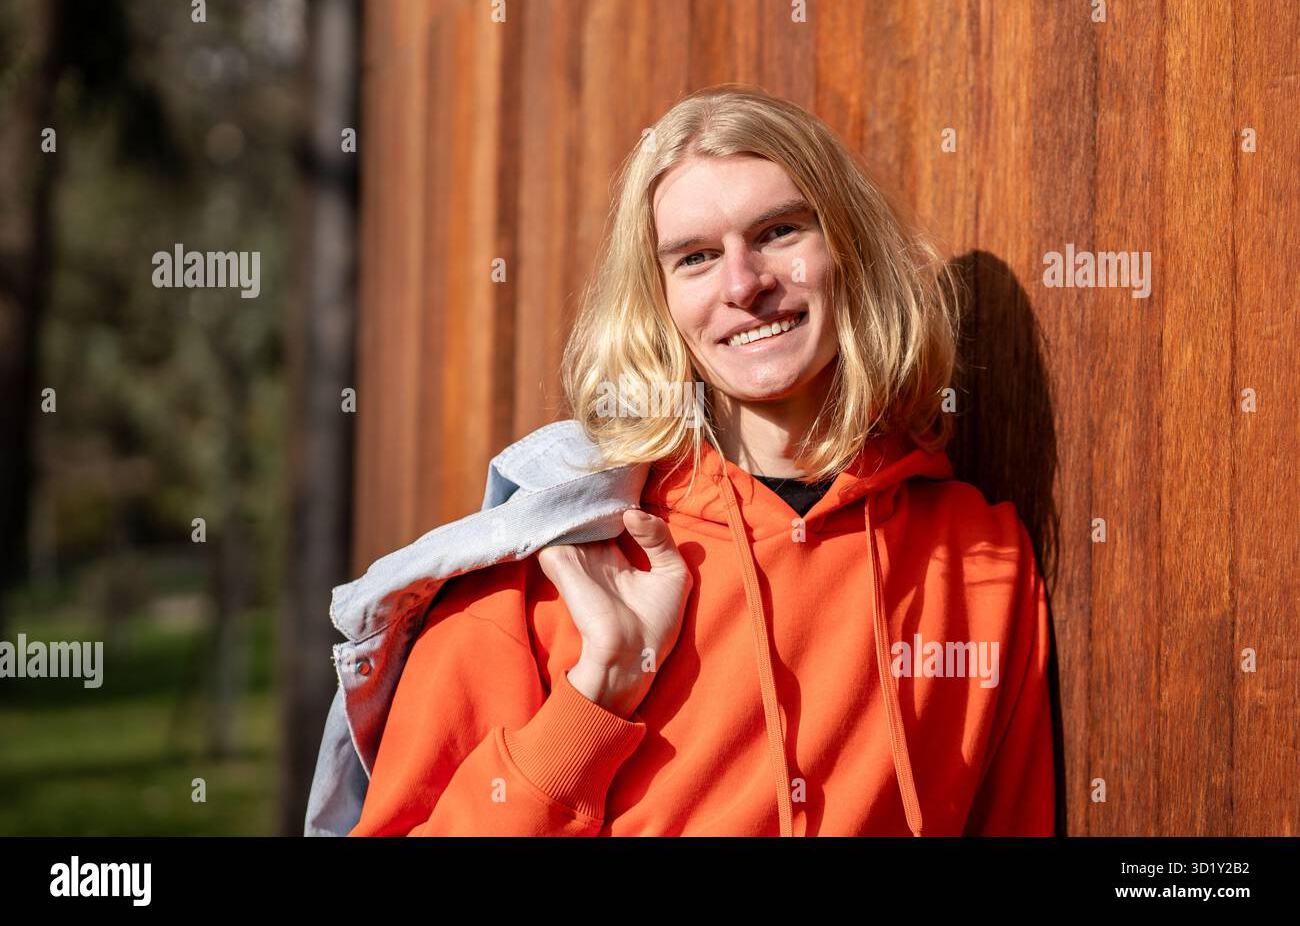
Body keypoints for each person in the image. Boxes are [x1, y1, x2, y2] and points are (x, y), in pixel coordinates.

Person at [346, 84, 1055, 837]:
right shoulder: (552, 568)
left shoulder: (983, 559)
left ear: (848, 247)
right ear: (658, 302)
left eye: (779, 231)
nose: (744, 285)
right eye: (696, 258)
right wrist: (594, 699)